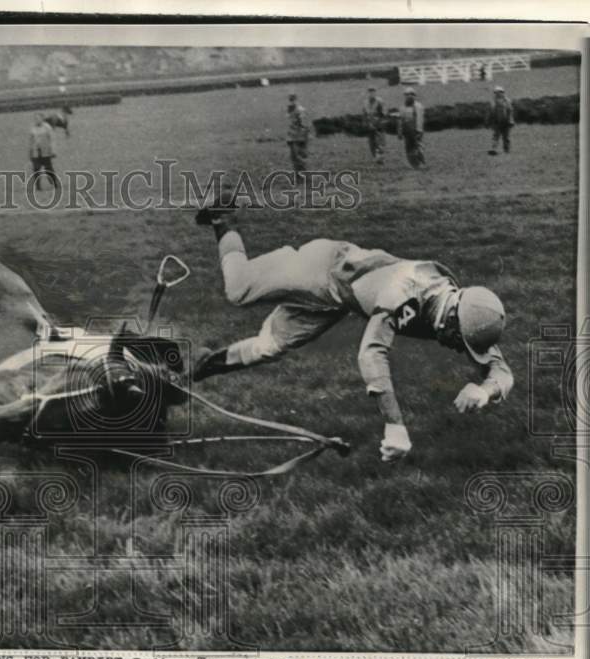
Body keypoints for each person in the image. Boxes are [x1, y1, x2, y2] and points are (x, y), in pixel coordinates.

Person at [191, 193, 513, 462]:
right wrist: (395, 426)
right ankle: (223, 217)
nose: (459, 349)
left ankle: (200, 367)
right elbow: (371, 352)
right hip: (320, 269)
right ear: (453, 322)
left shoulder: (462, 309)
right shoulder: (407, 295)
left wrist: (484, 391)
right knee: (238, 289)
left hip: (336, 299)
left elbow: (502, 371)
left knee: (268, 347)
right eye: (460, 343)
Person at [28, 112, 59, 193]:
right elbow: (31, 141)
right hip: (36, 152)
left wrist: (53, 150)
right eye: (35, 119)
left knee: (48, 169)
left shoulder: (47, 127)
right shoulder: (32, 128)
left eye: (38, 118)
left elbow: (52, 140)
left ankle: (55, 183)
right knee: (36, 169)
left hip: (45, 152)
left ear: (42, 119)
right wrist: (30, 152)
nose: (37, 120)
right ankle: (38, 186)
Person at [398, 87, 426, 169]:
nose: (409, 96)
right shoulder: (402, 107)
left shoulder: (418, 106)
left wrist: (419, 130)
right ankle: (414, 164)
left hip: (415, 130)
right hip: (407, 131)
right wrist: (399, 131)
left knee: (418, 147)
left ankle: (421, 162)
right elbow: (400, 120)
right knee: (408, 148)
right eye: (407, 94)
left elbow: (419, 119)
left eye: (411, 94)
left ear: (414, 96)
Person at [487, 85, 515, 155]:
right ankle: (493, 149)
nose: (497, 94)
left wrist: (511, 120)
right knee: (496, 136)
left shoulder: (507, 101)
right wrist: (489, 121)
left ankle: (506, 150)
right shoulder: (493, 102)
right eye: (496, 93)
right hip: (497, 122)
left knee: (506, 137)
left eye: (499, 92)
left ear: (502, 93)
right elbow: (491, 112)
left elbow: (510, 111)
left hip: (506, 122)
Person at [286, 93, 310, 174]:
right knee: (294, 157)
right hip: (292, 137)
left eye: (293, 101)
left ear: (296, 101)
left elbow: (304, 125)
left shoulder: (300, 110)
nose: (291, 103)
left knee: (299, 156)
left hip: (299, 137)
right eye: (290, 100)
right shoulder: (290, 110)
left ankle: (303, 175)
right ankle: (298, 175)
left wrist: (304, 138)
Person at [363, 86, 386, 164]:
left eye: (373, 91)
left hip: (378, 124)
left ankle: (381, 158)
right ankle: (375, 157)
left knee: (380, 141)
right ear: (368, 93)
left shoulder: (380, 101)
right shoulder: (365, 102)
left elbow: (383, 114)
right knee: (371, 142)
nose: (371, 93)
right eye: (370, 92)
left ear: (375, 92)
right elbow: (364, 113)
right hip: (369, 124)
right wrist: (366, 123)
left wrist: (378, 122)